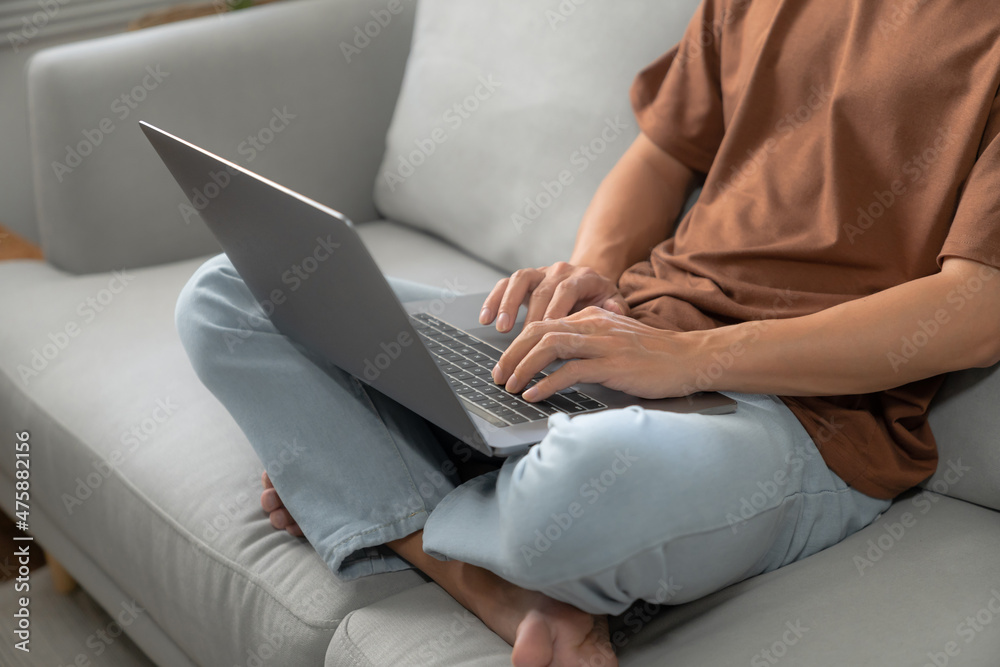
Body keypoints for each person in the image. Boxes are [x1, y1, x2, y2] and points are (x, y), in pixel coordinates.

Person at [175, 1, 1000, 665]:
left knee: (567, 505)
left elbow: (975, 311)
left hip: (803, 417)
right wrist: (590, 281)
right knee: (231, 288)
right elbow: (660, 154)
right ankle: (469, 560)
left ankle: (382, 493)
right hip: (622, 341)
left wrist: (690, 359)